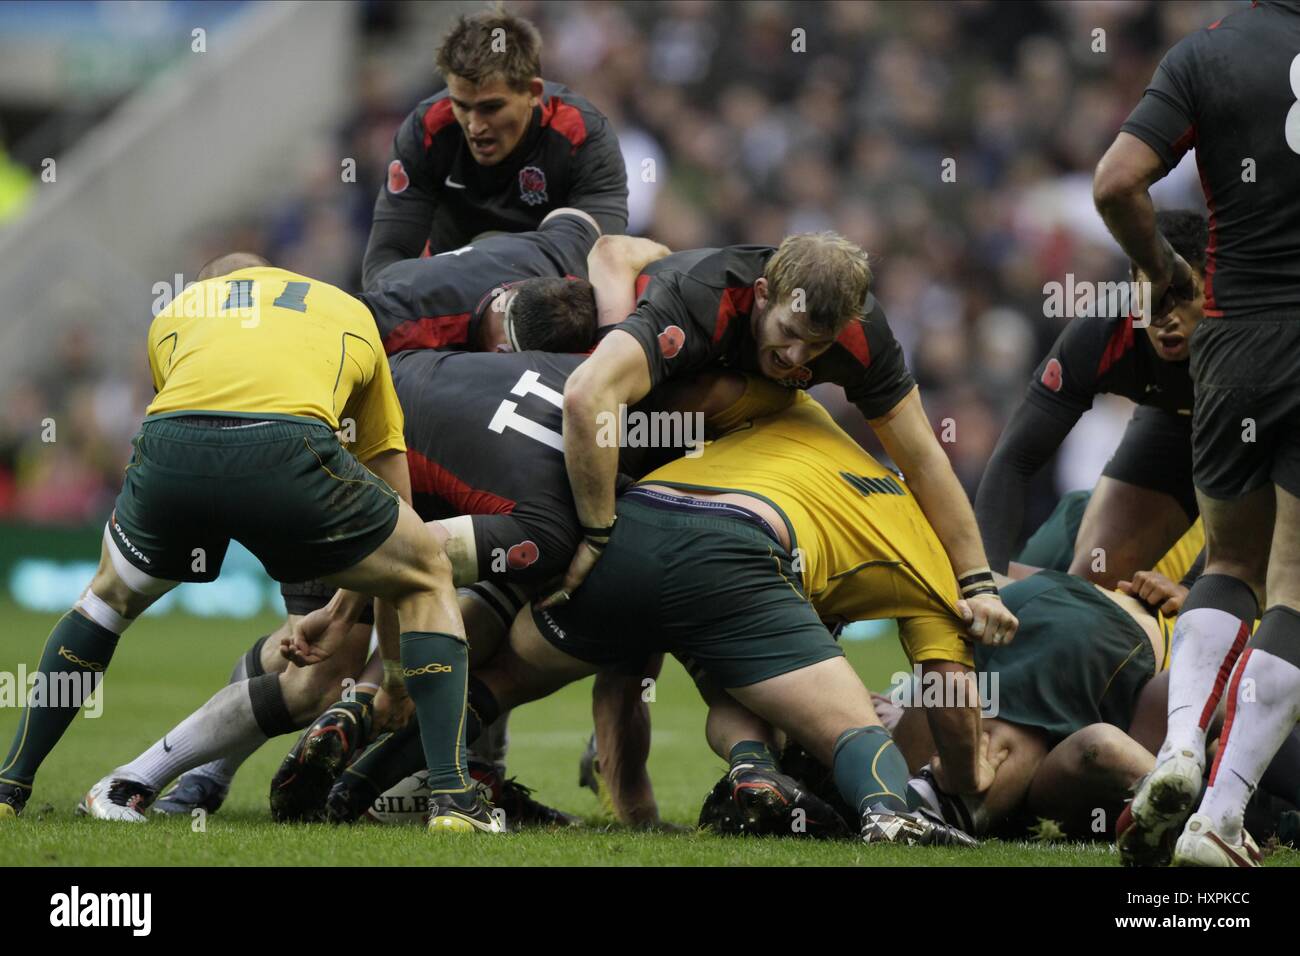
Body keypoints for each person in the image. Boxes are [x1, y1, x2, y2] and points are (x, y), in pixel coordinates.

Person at [0, 254, 492, 835]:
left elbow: (189, 414)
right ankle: (456, 802)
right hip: (294, 454)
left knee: (104, 601)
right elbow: (387, 466)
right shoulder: (346, 309)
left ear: (218, 286)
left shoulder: (178, 310)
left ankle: (11, 782)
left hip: (171, 448)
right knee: (426, 570)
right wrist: (391, 666)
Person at [460, 374, 1003, 846]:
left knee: (503, 678)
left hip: (631, 517)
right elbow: (951, 692)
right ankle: (885, 813)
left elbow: (701, 391)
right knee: (844, 725)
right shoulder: (932, 564)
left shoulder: (806, 414)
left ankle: (388, 768)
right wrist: (968, 778)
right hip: (737, 554)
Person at [551, 232, 1019, 652]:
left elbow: (923, 461)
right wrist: (596, 533)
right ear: (761, 294)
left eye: (817, 346)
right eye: (789, 333)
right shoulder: (697, 296)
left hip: (711, 433)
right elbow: (586, 394)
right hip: (629, 422)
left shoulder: (859, 335)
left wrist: (979, 585)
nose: (796, 356)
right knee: (627, 649)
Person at [1093, 0, 1300, 866]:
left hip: (1236, 337)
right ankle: (1221, 815)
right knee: (1295, 585)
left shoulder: (1207, 52)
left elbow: (1114, 182)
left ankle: (1178, 747)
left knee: (1229, 566)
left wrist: (1161, 268)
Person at [976, 210, 1206, 587]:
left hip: (1269, 447)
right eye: (1153, 295)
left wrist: (1194, 589)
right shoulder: (1103, 331)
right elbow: (1014, 458)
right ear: (1133, 285)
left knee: (1235, 591)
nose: (1166, 317)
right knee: (1095, 582)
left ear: (1213, 288)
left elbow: (1268, 488)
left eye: (1182, 294)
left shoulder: (1246, 336)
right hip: (1172, 420)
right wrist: (984, 582)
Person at [362, 9, 627, 289]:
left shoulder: (584, 135)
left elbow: (602, 258)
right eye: (462, 106)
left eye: (491, 108)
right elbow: (386, 260)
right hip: (447, 291)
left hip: (553, 297)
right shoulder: (425, 131)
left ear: (532, 93)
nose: (475, 126)